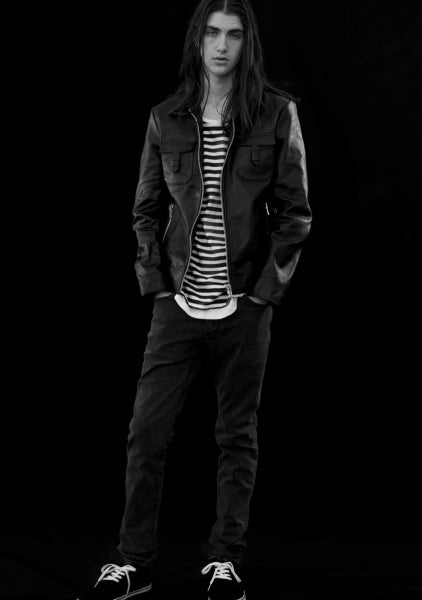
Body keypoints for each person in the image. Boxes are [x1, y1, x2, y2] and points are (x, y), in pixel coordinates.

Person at [77, 0, 311, 598]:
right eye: (211, 33)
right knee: (146, 434)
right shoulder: (166, 118)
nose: (221, 45)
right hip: (177, 306)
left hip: (244, 307)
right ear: (197, 41)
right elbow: (146, 210)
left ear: (247, 43)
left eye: (233, 34)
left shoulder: (276, 113)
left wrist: (264, 296)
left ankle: (225, 560)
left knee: (236, 436)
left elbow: (295, 214)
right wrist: (155, 284)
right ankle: (132, 562)